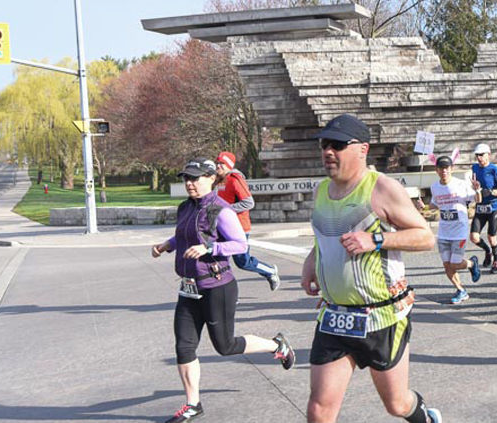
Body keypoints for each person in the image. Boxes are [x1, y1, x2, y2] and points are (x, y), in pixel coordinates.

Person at [300, 114, 441, 423]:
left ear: (362, 149)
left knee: (396, 404)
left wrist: (376, 239)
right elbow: (325, 233)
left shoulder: (382, 189)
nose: (328, 152)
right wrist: (312, 261)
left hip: (381, 315)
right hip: (335, 315)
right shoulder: (320, 191)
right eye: (324, 144)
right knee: (319, 411)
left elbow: (425, 237)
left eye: (337, 145)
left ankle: (425, 418)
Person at [151, 158, 296, 423]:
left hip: (217, 287)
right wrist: (166, 245)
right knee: (184, 347)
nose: (189, 183)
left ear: (210, 178)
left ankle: (277, 345)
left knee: (225, 346)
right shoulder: (185, 207)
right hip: (188, 288)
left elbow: (240, 245)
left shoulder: (221, 209)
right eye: (186, 178)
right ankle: (193, 404)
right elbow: (185, 235)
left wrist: (211, 249)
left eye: (195, 178)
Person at [215, 151, 282, 291]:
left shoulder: (235, 179)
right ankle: (225, 294)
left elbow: (248, 203)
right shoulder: (219, 180)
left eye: (221, 164)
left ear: (229, 165)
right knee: (219, 259)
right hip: (222, 227)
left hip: (239, 228)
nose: (218, 166)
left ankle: (269, 271)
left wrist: (226, 210)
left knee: (243, 262)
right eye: (217, 163)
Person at [429, 156, 482, 304]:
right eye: (441, 168)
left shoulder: (461, 185)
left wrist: (477, 190)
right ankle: (461, 290)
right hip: (444, 232)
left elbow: (478, 200)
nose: (444, 170)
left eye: (447, 167)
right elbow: (435, 203)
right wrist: (424, 207)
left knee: (455, 263)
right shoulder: (435, 187)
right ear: (437, 170)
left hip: (459, 231)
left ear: (451, 169)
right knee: (447, 265)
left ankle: (472, 263)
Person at [470, 143, 497, 273]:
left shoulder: (494, 170)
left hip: (493, 206)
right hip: (480, 206)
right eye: (477, 155)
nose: (479, 158)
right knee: (474, 237)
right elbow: (474, 186)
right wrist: (475, 190)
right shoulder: (474, 168)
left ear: (488, 155)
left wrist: (491, 192)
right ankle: (487, 251)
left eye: (482, 155)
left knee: (492, 236)